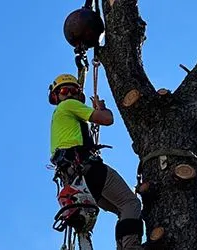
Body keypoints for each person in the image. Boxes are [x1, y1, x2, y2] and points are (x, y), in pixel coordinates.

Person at [48, 73, 143, 250]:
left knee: (124, 210)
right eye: (64, 90)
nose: (68, 94)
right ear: (56, 96)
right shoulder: (69, 105)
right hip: (88, 168)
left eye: (73, 90)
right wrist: (101, 108)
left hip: (77, 178)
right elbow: (107, 119)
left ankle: (124, 246)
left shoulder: (59, 117)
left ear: (78, 93)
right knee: (131, 203)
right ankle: (131, 247)